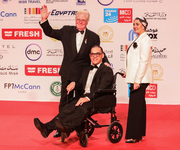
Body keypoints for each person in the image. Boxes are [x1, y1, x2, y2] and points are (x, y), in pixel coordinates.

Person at [39, 5, 110, 137]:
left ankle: (79, 128)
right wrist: (44, 20)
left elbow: (99, 51)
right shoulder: (66, 30)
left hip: (82, 76)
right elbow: (50, 32)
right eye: (78, 19)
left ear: (87, 21)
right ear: (75, 19)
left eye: (83, 20)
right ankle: (60, 128)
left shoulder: (93, 37)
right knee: (64, 101)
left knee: (79, 102)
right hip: (67, 72)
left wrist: (106, 62)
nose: (80, 22)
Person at [34, 45, 114, 140]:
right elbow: (81, 83)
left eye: (97, 54)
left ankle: (68, 128)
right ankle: (47, 128)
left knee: (82, 107)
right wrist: (74, 83)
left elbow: (101, 88)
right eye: (92, 54)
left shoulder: (107, 70)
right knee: (69, 108)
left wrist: (87, 98)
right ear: (89, 55)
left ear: (102, 55)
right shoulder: (86, 69)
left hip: (100, 97)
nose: (95, 56)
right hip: (86, 95)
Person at [122, 16, 153, 143]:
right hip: (136, 77)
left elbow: (144, 61)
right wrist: (127, 73)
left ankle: (134, 135)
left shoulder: (145, 40)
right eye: (134, 24)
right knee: (139, 105)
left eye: (137, 24)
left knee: (135, 106)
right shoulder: (139, 38)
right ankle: (139, 133)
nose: (135, 26)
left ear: (144, 26)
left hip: (140, 79)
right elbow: (134, 61)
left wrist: (137, 81)